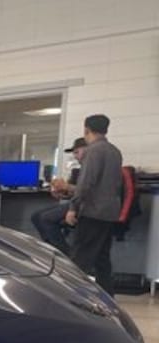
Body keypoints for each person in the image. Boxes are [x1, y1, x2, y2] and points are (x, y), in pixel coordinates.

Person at [52, 114, 123, 295]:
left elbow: (86, 184)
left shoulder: (93, 151)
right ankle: (109, 299)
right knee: (102, 259)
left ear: (86, 130)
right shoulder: (115, 151)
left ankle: (73, 299)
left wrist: (73, 208)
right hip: (110, 212)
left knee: (79, 260)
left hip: (92, 211)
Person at [31, 137, 86, 255]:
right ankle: (51, 249)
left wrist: (67, 187)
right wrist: (61, 193)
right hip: (75, 202)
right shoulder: (77, 171)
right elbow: (72, 193)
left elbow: (86, 191)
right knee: (36, 216)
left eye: (77, 152)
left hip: (84, 205)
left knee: (46, 218)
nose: (75, 156)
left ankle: (65, 255)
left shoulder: (90, 169)